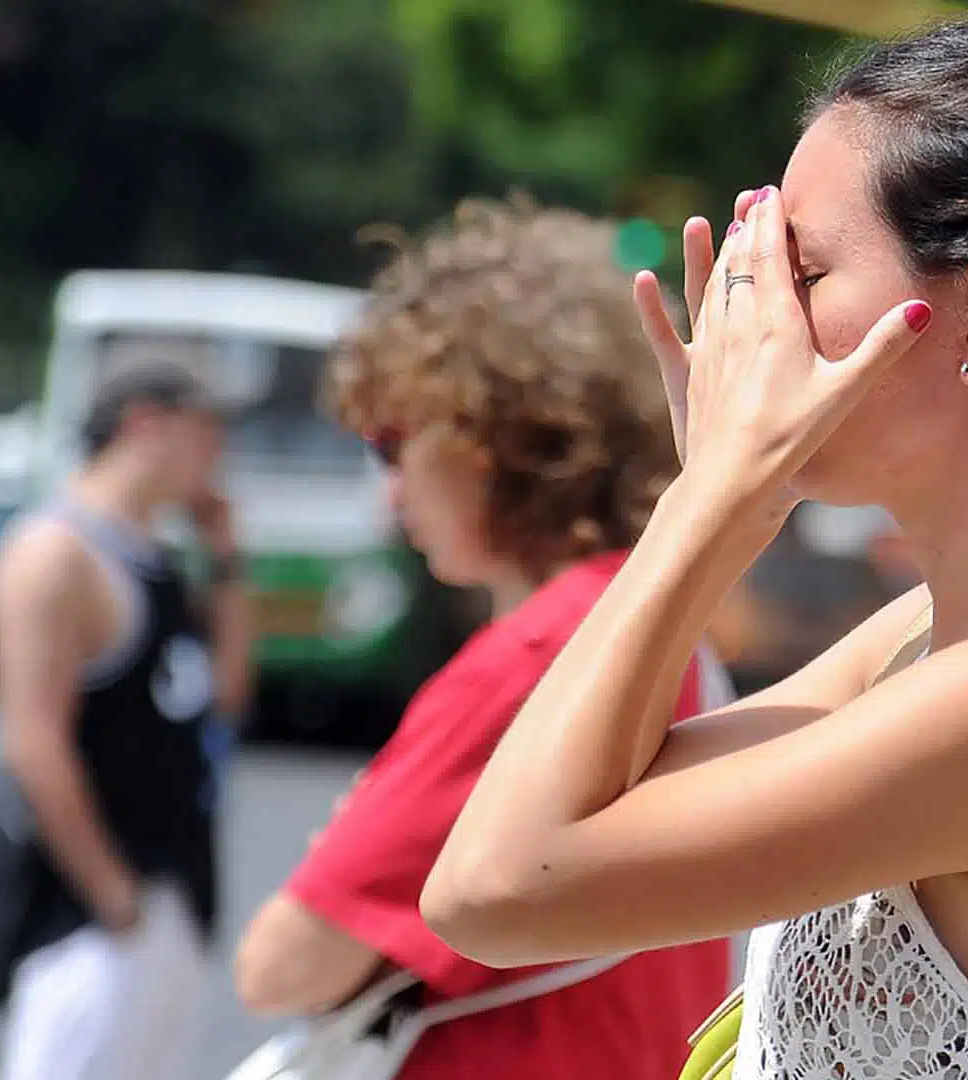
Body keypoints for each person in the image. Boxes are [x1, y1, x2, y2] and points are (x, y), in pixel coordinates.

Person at [420, 24, 968, 1079]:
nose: (755, 320)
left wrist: (710, 501)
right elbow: (594, 801)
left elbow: (494, 889)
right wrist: (722, 500)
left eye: (802, 270)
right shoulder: (928, 639)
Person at [231, 197, 734, 1080]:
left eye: (393, 445)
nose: (387, 493)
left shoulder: (540, 658)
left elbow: (281, 966)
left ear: (492, 436)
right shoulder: (656, 614)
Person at [0, 362, 252, 1080]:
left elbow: (223, 696)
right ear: (146, 423)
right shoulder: (55, 554)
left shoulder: (156, 556)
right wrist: (115, 898)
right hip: (86, 915)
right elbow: (33, 741)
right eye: (208, 430)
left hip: (172, 890)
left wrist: (228, 558)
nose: (219, 453)